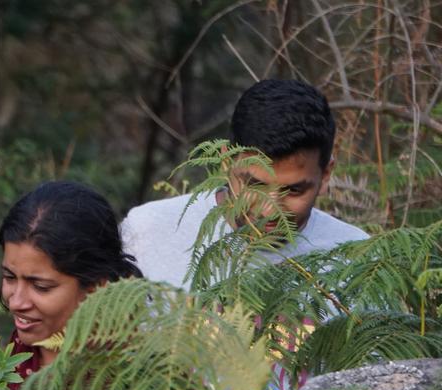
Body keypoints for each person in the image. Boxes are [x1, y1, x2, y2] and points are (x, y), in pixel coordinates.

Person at [0, 180, 180, 390]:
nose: (16, 301)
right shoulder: (3, 369)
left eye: (40, 286)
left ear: (96, 288)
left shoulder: (145, 383)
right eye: (8, 278)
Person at [121, 78, 368, 290]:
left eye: (293, 190)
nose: (269, 210)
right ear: (227, 162)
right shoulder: (147, 233)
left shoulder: (358, 260)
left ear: (326, 175)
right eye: (255, 185)